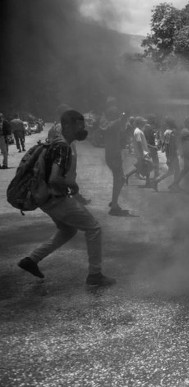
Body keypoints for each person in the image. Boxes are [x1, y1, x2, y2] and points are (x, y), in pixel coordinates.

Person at [17, 110, 116, 288]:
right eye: (79, 125)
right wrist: (72, 186)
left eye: (83, 125)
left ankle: (31, 259)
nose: (83, 128)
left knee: (68, 230)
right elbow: (55, 178)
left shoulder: (56, 143)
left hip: (44, 198)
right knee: (94, 228)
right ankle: (95, 274)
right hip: (55, 198)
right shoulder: (63, 146)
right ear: (67, 126)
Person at [101, 106, 130, 216]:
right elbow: (124, 116)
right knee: (119, 179)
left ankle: (114, 201)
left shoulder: (108, 125)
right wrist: (125, 112)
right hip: (114, 155)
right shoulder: (115, 124)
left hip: (110, 155)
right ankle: (114, 206)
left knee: (119, 179)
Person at [155, 117, 180, 190]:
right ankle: (174, 185)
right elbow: (170, 145)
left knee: (171, 171)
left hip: (170, 154)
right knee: (176, 170)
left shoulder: (166, 132)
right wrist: (170, 157)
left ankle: (157, 181)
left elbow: (166, 145)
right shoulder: (171, 132)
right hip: (172, 154)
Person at [171, 117, 189, 191]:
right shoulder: (185, 131)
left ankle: (175, 184)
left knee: (186, 169)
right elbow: (187, 141)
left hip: (187, 152)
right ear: (188, 123)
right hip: (187, 152)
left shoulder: (186, 130)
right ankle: (175, 184)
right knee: (188, 169)